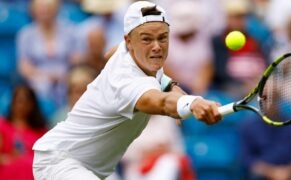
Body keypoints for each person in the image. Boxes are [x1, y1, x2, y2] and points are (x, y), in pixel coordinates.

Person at [32, 1, 222, 180]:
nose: (157, 47)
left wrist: (171, 86)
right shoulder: (125, 80)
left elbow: (112, 52)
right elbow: (159, 102)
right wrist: (192, 102)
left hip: (92, 169)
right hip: (59, 161)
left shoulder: (131, 53)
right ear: (129, 41)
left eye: (162, 38)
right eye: (147, 39)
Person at [0, 84, 47, 179]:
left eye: (26, 102)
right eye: (19, 101)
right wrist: (10, 160)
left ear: (32, 104)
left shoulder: (40, 130)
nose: (22, 105)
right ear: (12, 103)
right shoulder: (2, 126)